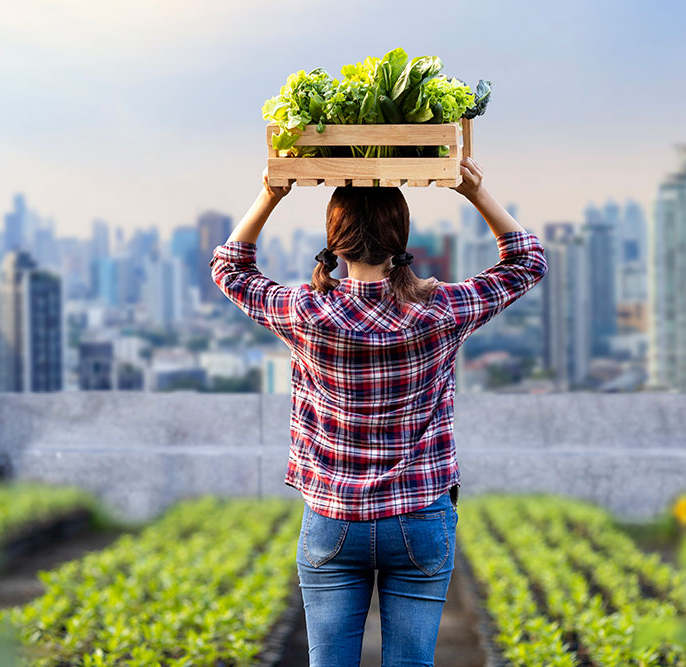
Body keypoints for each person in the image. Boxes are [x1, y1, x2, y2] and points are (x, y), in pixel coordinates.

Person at [209, 156, 548, 666]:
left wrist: (271, 193)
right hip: (420, 516)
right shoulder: (439, 309)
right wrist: (473, 191)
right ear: (401, 238)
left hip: (331, 516)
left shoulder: (306, 311)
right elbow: (527, 261)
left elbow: (229, 267)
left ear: (335, 238)